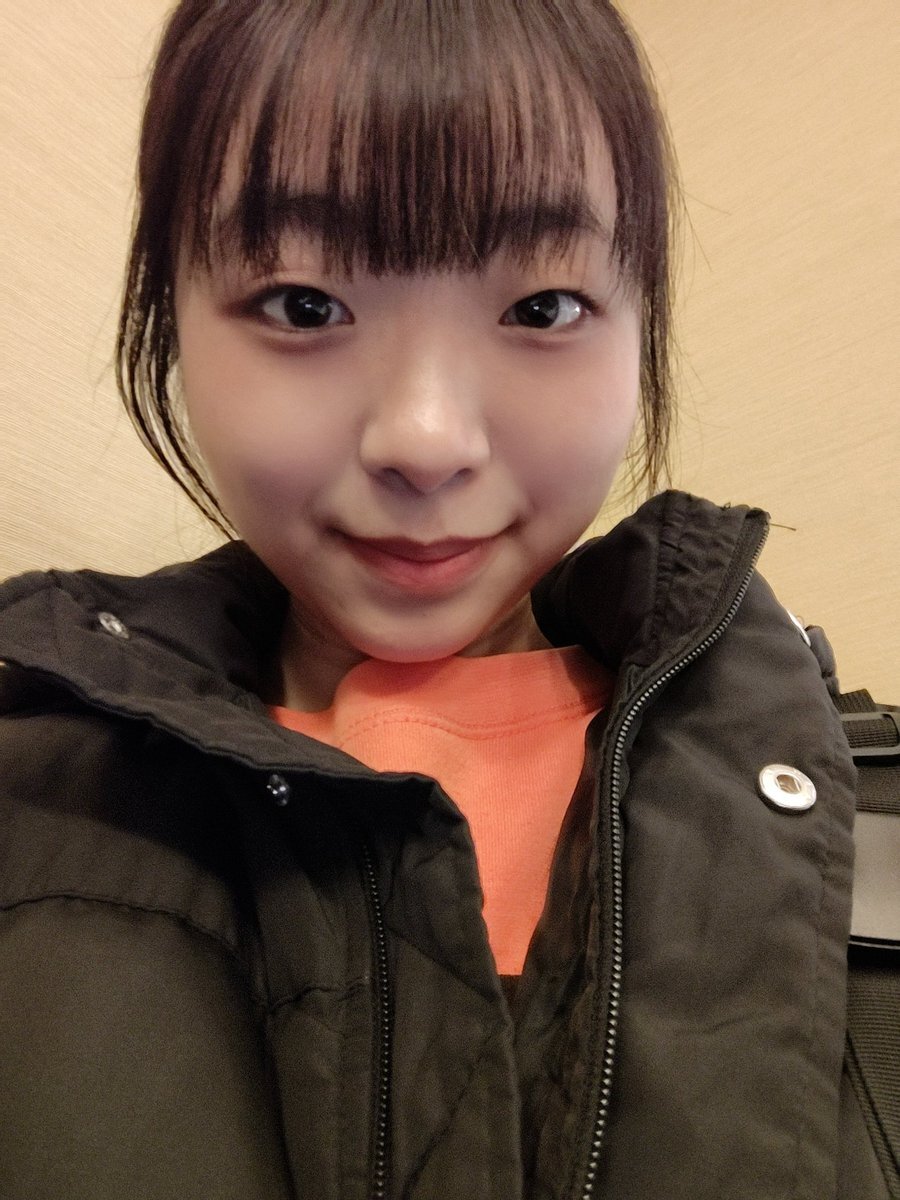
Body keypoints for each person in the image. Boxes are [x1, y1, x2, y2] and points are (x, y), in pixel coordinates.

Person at [0, 2, 880, 1197]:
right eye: (304, 303)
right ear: (170, 316)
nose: (426, 440)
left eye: (541, 308)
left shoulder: (850, 812)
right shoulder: (31, 799)